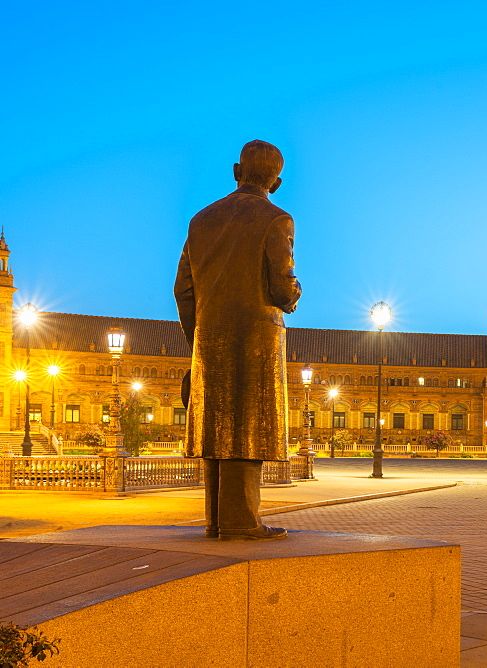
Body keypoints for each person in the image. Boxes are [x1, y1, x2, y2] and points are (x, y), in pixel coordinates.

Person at [174, 140, 302, 540]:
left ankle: (216, 520)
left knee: (217, 424)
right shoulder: (276, 219)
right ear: (276, 182)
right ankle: (242, 521)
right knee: (249, 424)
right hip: (257, 336)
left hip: (210, 336)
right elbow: (282, 288)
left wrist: (200, 337)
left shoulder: (200, 220)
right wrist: (295, 293)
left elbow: (183, 289)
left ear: (236, 170)